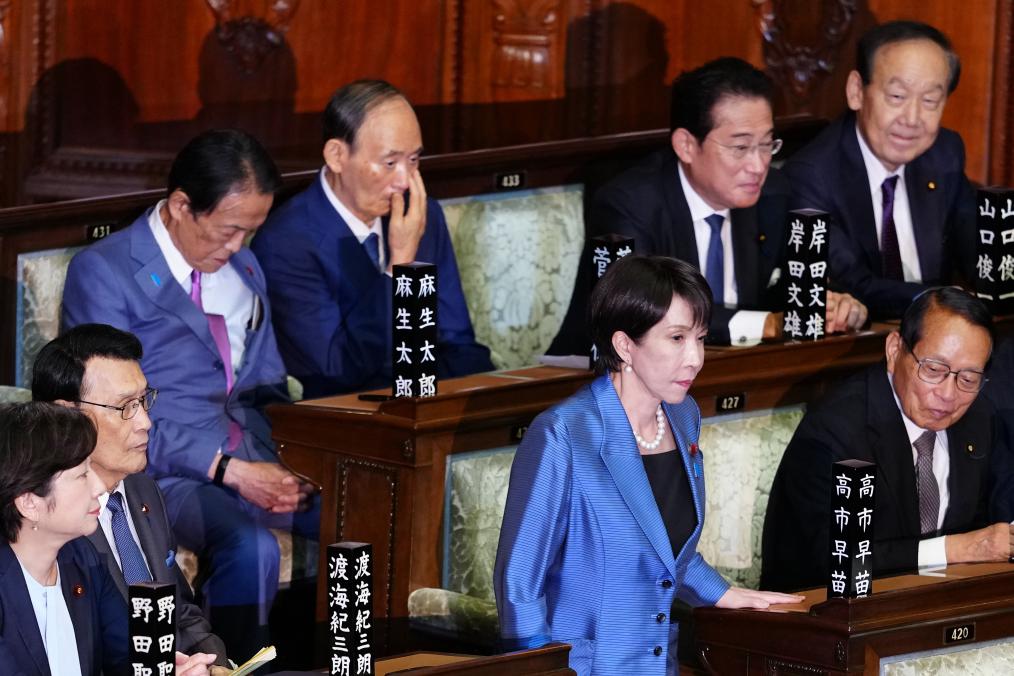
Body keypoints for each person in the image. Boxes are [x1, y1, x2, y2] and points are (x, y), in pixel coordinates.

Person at [61, 129, 319, 663]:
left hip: (255, 451)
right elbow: (106, 413)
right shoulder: (106, 271)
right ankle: (233, 669)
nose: (238, 247)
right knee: (250, 546)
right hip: (162, 467)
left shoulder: (244, 269)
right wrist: (227, 469)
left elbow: (268, 386)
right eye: (229, 230)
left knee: (363, 511)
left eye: (250, 232)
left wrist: (299, 459)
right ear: (182, 205)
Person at [495, 256, 800, 676]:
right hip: (585, 668)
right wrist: (541, 671)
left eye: (700, 338)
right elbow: (518, 584)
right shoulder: (563, 434)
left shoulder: (683, 415)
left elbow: (667, 550)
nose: (695, 358)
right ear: (624, 346)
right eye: (677, 338)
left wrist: (722, 593)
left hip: (658, 664)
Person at [548, 57, 866, 351]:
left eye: (767, 144)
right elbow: (647, 316)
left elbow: (799, 279)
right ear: (686, 145)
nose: (758, 165)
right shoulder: (630, 206)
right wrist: (768, 324)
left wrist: (835, 303)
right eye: (740, 147)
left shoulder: (772, 194)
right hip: (601, 380)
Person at [251, 79, 493, 398]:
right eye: (390, 163)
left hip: (427, 403)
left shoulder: (423, 215)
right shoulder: (286, 243)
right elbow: (338, 370)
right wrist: (401, 265)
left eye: (414, 160)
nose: (405, 181)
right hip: (347, 414)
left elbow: (459, 343)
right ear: (337, 156)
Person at [762, 288, 1014, 592]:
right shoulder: (835, 433)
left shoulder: (979, 417)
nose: (949, 394)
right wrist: (954, 549)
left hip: (944, 603)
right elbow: (832, 562)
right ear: (894, 350)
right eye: (934, 370)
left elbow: (994, 519)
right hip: (825, 609)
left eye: (968, 379)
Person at [31, 324, 231, 672]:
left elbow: (181, 613)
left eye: (143, 401)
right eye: (125, 407)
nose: (145, 422)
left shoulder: (142, 490)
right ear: (66, 415)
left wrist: (215, 664)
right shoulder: (46, 516)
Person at [0, 403, 218, 675]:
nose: (99, 486)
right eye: (82, 475)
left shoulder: (83, 558)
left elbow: (127, 658)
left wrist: (165, 670)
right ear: (29, 503)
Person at [785, 21, 976, 319]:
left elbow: (980, 253)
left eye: (929, 100)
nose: (912, 118)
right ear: (856, 92)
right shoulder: (813, 175)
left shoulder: (943, 154)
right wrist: (941, 300)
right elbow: (854, 285)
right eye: (897, 96)